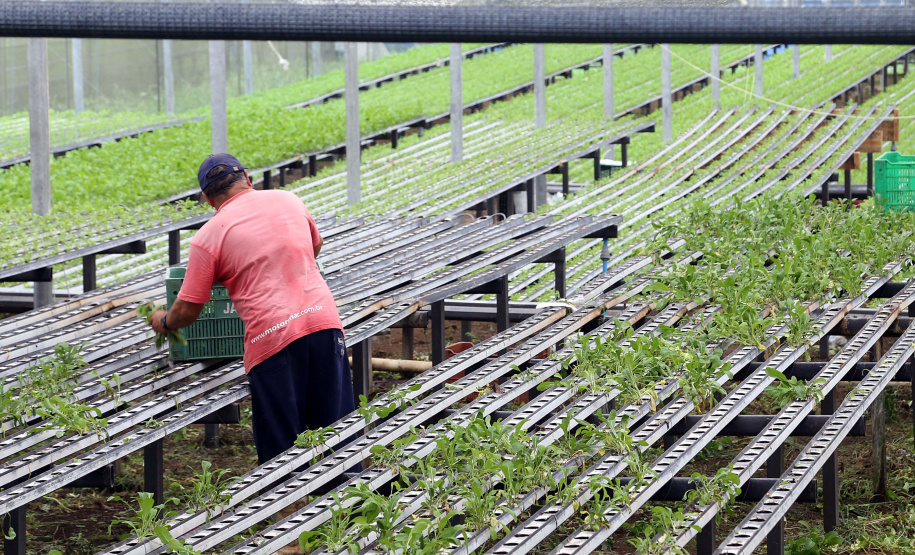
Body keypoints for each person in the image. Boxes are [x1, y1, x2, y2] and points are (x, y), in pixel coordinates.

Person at [150, 153, 356, 467]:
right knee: (337, 435)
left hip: (273, 339)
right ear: (247, 177)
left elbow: (189, 309)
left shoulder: (208, 237)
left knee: (281, 449)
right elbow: (313, 247)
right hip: (323, 322)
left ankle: (285, 508)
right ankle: (349, 503)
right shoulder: (289, 200)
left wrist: (164, 320)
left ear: (208, 198)